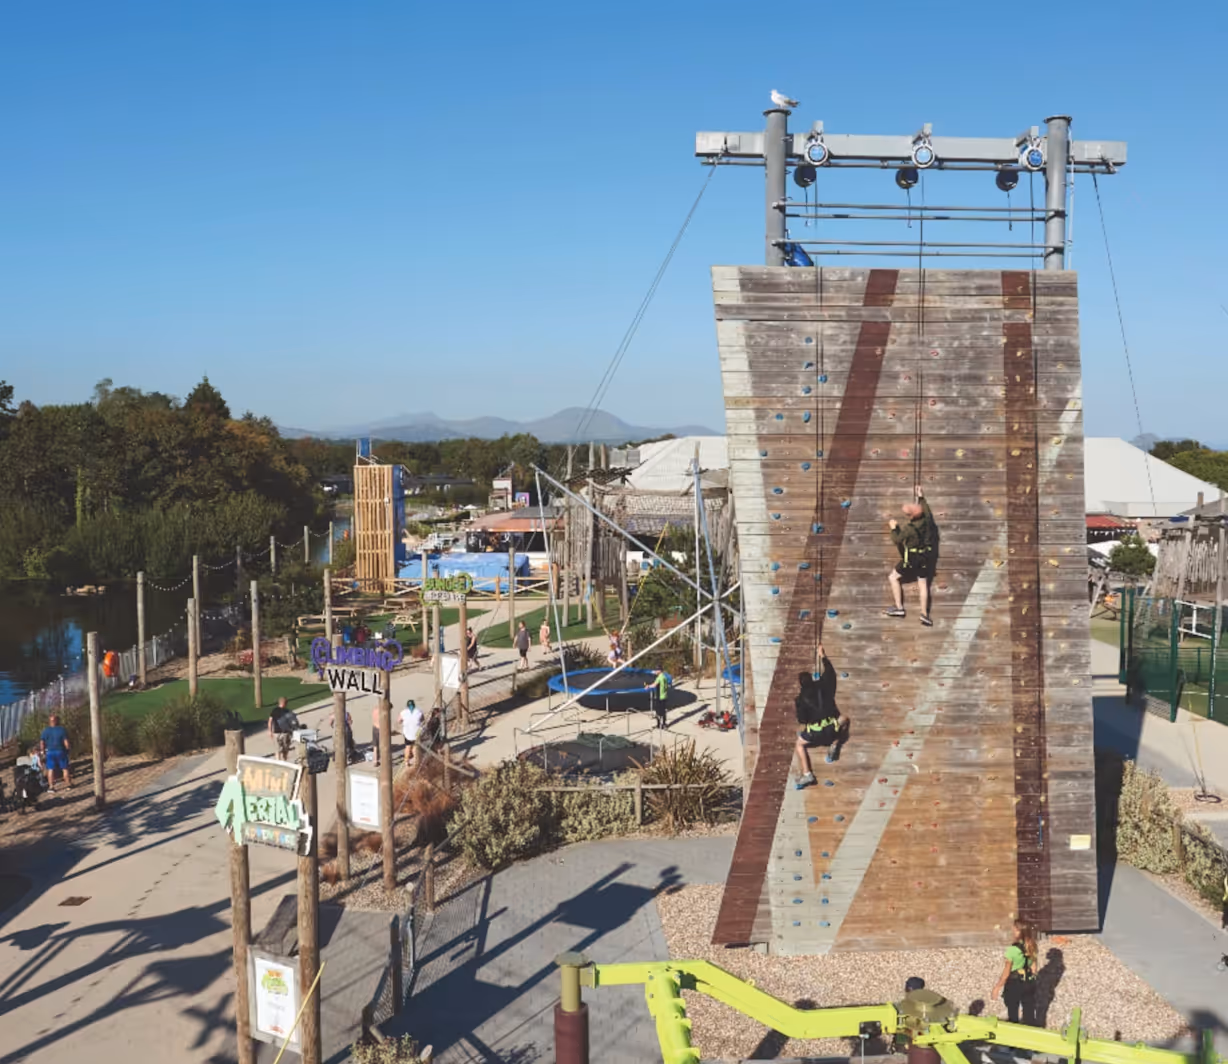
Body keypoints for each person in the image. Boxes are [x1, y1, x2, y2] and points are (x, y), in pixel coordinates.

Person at [793, 646, 849, 789]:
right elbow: (830, 672)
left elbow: (802, 720)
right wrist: (822, 656)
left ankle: (807, 774)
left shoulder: (800, 699)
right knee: (845, 720)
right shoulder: (824, 686)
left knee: (799, 745)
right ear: (812, 679)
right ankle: (835, 744)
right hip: (832, 729)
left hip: (815, 733)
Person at [884, 484, 939, 627]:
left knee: (893, 577)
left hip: (911, 559)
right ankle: (924, 614)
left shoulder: (909, 529)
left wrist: (893, 528)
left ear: (911, 516)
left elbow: (897, 540)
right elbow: (927, 510)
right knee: (923, 584)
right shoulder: (927, 521)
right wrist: (921, 496)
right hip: (925, 557)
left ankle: (899, 608)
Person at [990, 919, 1039, 1025]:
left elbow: (1007, 972)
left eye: (1015, 929)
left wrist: (997, 987)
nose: (1012, 930)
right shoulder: (1032, 946)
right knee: (1029, 1008)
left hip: (1015, 982)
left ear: (1019, 931)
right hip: (1029, 981)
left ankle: (1014, 1029)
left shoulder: (1012, 950)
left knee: (1013, 1009)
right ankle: (1031, 1029)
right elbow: (1034, 967)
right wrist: (1033, 979)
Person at [39, 713, 71, 792]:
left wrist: (42, 751)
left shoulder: (45, 731)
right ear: (57, 721)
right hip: (60, 751)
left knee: (50, 769)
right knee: (64, 768)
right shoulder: (61, 730)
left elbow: (42, 742)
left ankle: (51, 787)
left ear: (49, 721)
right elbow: (66, 742)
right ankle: (68, 785)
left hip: (50, 752)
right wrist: (68, 749)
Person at [401, 699, 424, 768]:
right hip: (416, 733)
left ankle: (406, 762)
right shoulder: (419, 712)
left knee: (408, 747)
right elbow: (422, 719)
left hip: (407, 733)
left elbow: (399, 720)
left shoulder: (403, 712)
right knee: (415, 747)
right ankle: (416, 761)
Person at [371, 702, 382, 766]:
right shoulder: (381, 711)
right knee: (383, 745)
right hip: (380, 729)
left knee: (375, 746)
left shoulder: (374, 710)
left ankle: (375, 760)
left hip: (374, 727)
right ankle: (383, 760)